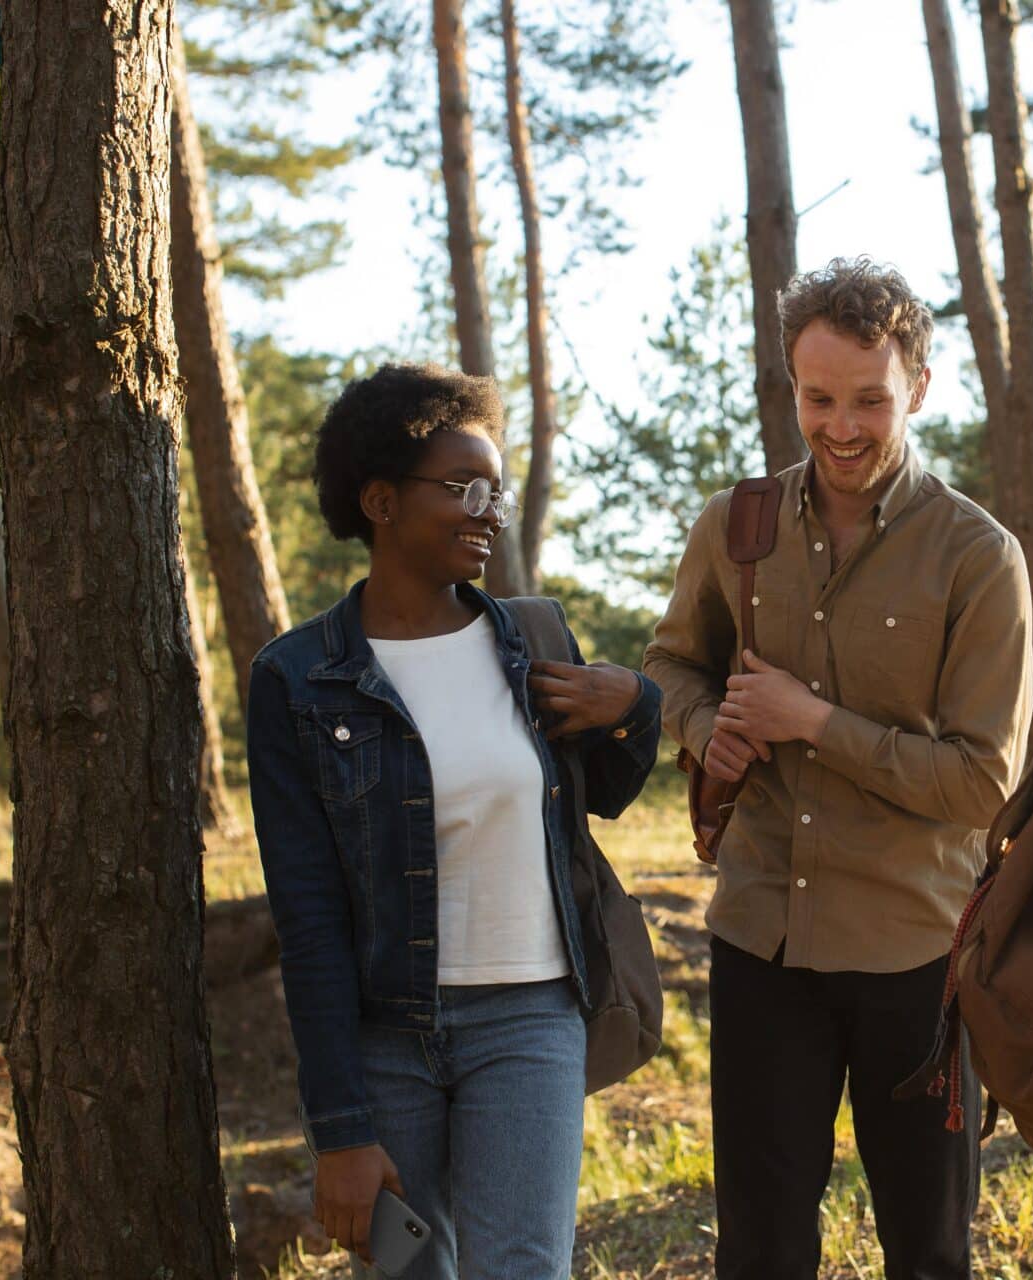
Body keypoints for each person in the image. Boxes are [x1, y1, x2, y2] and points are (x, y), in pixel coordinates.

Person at [643, 257, 1033, 1279]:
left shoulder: (977, 557)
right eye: (819, 398)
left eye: (870, 398)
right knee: (761, 1247)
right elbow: (670, 662)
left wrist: (812, 719)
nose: (843, 425)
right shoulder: (738, 527)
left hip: (918, 956)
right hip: (761, 941)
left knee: (929, 1247)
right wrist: (704, 727)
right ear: (791, 386)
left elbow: (985, 783)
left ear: (918, 388)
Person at [246, 363, 661, 1278]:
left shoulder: (534, 643)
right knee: (408, 1277)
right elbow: (308, 919)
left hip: (531, 1017)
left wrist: (637, 705)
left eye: (497, 493)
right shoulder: (295, 679)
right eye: (464, 488)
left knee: (521, 1269)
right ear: (380, 499)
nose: (488, 511)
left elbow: (605, 795)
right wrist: (339, 1131)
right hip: (382, 1040)